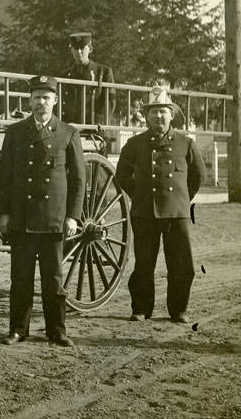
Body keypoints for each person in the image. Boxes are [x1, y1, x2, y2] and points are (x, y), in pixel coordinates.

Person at [0, 75, 84, 347]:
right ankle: (18, 329)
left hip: (53, 218)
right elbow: (5, 177)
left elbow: (79, 180)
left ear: (55, 100)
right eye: (36, 97)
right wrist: (3, 214)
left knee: (53, 279)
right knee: (20, 278)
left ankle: (56, 330)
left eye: (46, 97)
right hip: (22, 217)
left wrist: (73, 216)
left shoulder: (68, 133)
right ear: (29, 100)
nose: (40, 103)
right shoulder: (15, 132)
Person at [116, 85, 205, 323]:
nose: (158, 116)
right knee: (144, 264)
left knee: (182, 264)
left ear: (171, 114)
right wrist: (140, 195)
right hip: (145, 212)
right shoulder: (135, 144)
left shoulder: (186, 143)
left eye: (163, 111)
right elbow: (122, 175)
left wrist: (182, 199)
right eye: (153, 111)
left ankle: (179, 311)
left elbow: (198, 177)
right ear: (146, 116)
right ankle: (141, 309)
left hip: (177, 213)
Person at [61, 31, 115, 124]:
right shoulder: (65, 75)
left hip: (95, 128)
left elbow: (110, 103)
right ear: (71, 50)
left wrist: (95, 125)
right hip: (71, 128)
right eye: (75, 48)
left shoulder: (103, 73)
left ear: (90, 49)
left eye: (82, 48)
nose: (78, 52)